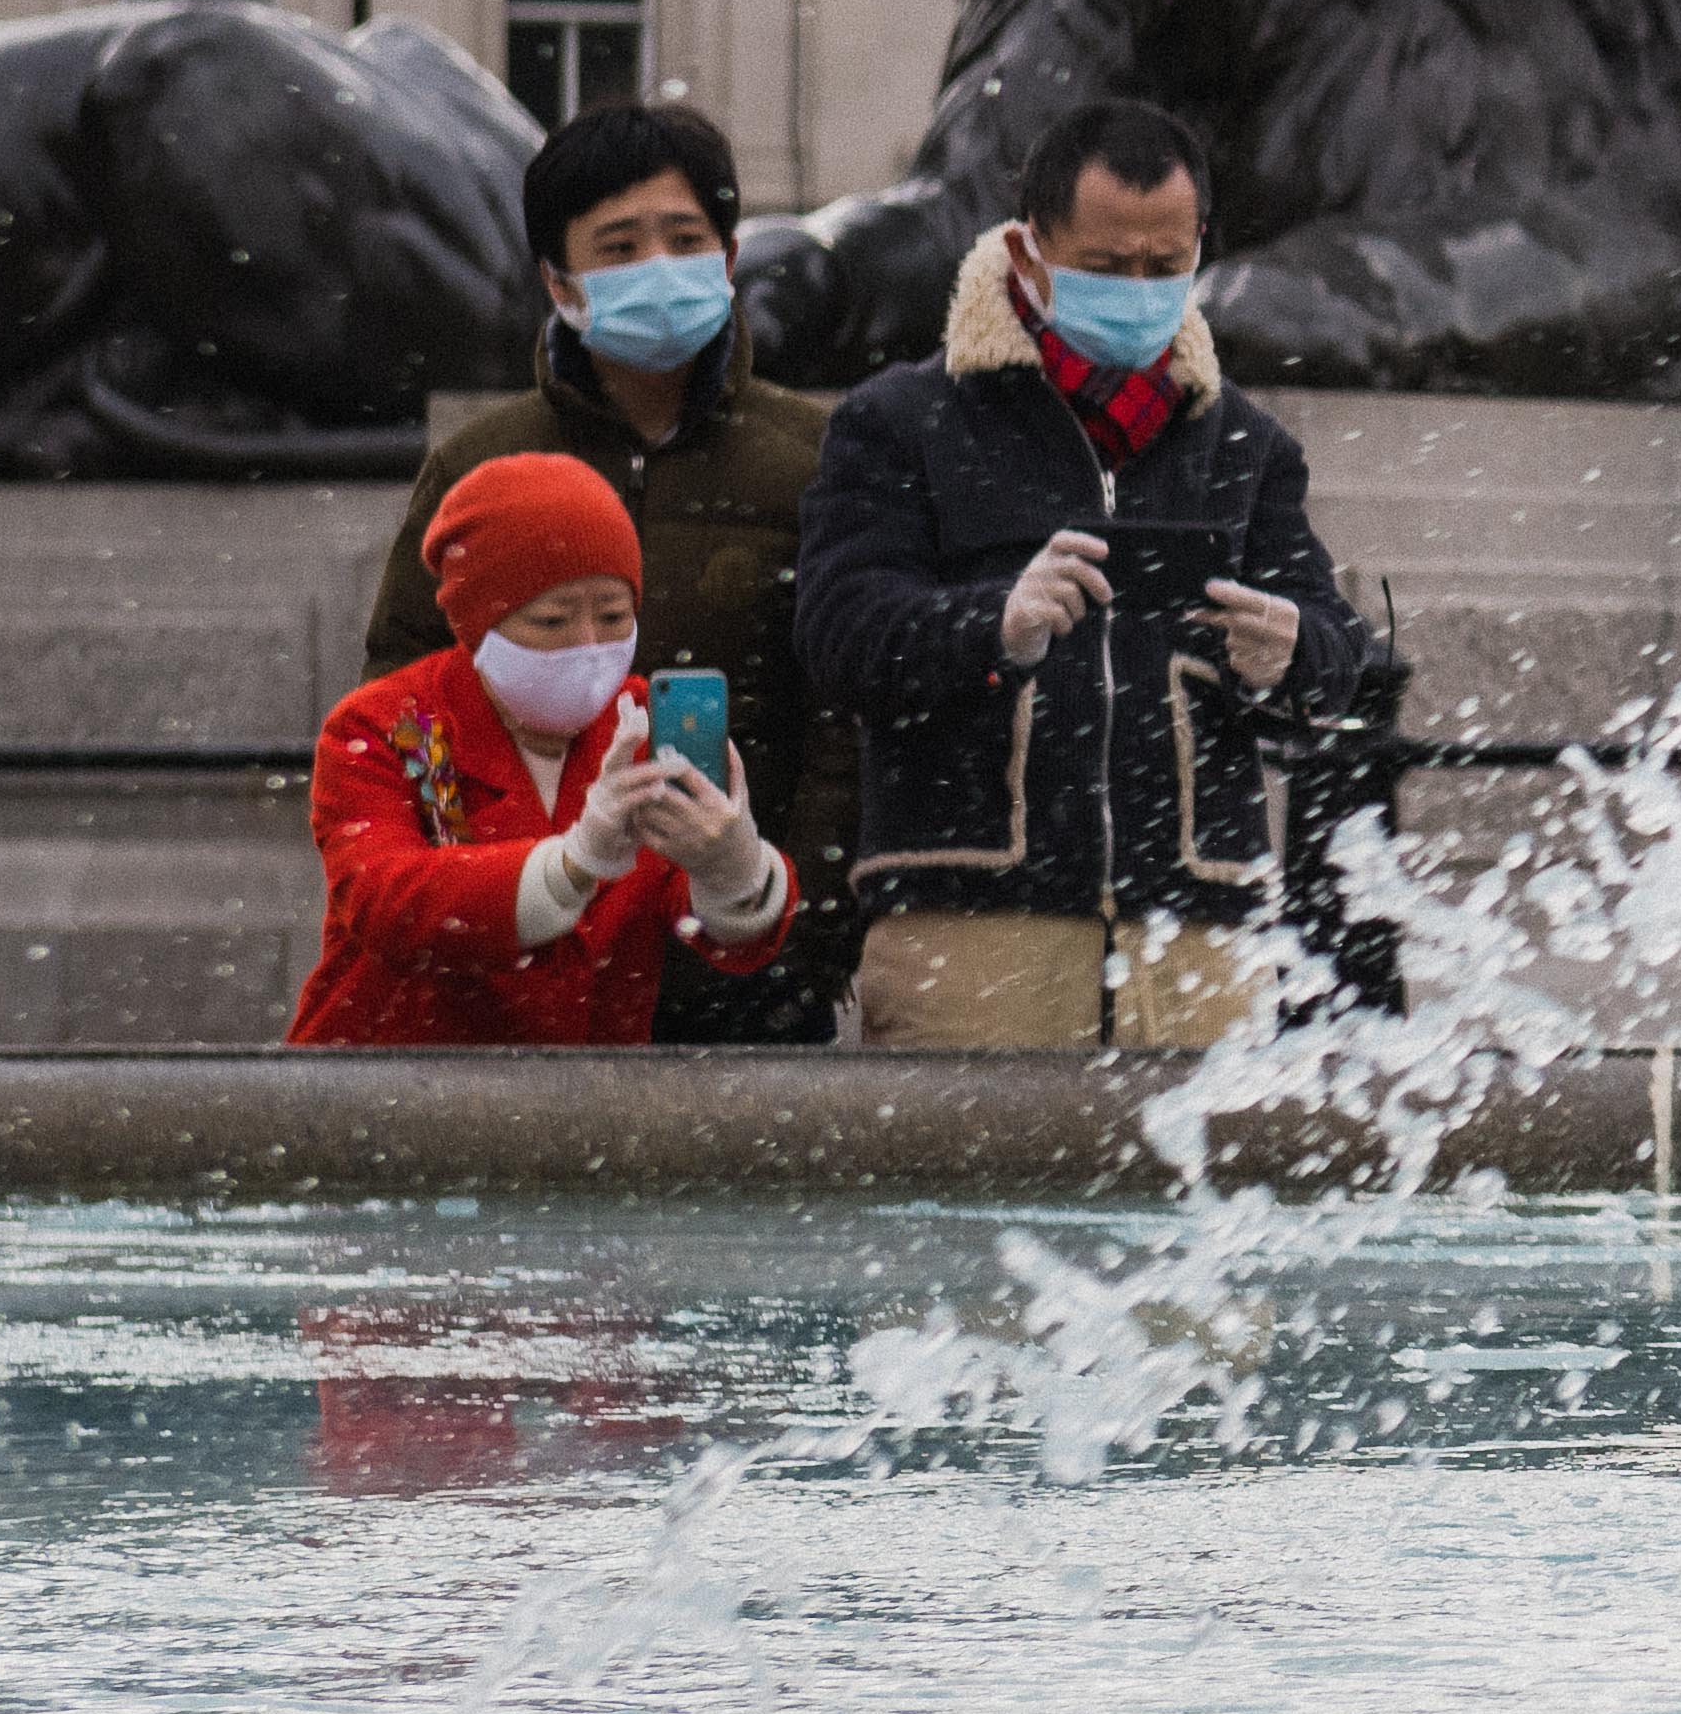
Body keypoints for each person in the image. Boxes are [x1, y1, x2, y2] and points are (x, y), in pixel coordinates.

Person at [794, 97, 1368, 1051]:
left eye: (1166, 267)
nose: (1140, 290)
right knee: (967, 1196)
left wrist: (1293, 650)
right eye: (1106, 267)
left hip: (1198, 934)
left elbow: (1341, 652)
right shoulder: (903, 420)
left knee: (1199, 1201)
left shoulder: (1243, 442)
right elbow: (839, 632)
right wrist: (993, 625)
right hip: (970, 928)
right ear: (1027, 255)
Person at [362, 98, 851, 1043]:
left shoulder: (814, 457)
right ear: (561, 281)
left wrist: (801, 916)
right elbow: (405, 695)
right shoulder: (480, 462)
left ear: (729, 257)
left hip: (740, 957)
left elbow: (845, 721)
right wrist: (469, 889)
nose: (656, 269)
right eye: (618, 247)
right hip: (516, 961)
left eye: (684, 238)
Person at [294, 453, 799, 1045]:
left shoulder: (639, 723)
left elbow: (714, 930)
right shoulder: (384, 725)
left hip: (583, 1102)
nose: (588, 647)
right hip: (394, 1085)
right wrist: (574, 860)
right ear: (479, 624)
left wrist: (735, 870)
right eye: (552, 621)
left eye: (613, 616)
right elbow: (385, 901)